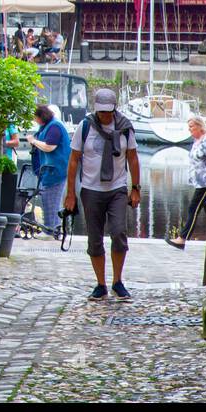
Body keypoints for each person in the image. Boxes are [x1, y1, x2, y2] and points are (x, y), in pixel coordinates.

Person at [64, 88, 141, 300]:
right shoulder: (85, 126)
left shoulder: (125, 127)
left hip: (116, 188)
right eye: (101, 112)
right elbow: (73, 160)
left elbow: (133, 158)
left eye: (108, 111)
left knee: (118, 233)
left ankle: (118, 281)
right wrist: (70, 193)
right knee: (94, 239)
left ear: (114, 108)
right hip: (90, 189)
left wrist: (135, 188)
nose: (105, 115)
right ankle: (100, 284)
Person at [166, 116, 206, 250]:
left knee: (193, 208)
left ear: (200, 126)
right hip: (199, 182)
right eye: (189, 127)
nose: (189, 130)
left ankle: (182, 239)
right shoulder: (197, 141)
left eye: (192, 127)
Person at [26, 103, 71, 234]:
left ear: (41, 116)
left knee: (52, 202)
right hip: (49, 170)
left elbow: (49, 146)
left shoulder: (55, 126)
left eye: (35, 117)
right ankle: (51, 230)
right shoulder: (47, 126)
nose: (35, 120)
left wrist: (33, 141)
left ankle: (53, 231)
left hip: (56, 171)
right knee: (48, 201)